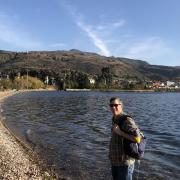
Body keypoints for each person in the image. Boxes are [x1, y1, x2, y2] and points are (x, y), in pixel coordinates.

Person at [109, 97, 141, 180]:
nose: (113, 107)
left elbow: (138, 139)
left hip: (125, 163)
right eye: (111, 105)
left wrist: (120, 132)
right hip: (115, 161)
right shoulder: (114, 118)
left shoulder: (127, 120)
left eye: (116, 105)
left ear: (121, 106)